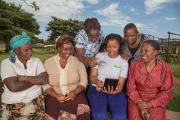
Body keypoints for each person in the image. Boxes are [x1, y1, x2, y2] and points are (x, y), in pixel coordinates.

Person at [0, 32, 53, 119]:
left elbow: (44, 79)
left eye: (31, 49)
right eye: (26, 50)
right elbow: (14, 87)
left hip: (34, 101)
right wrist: (36, 80)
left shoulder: (37, 61)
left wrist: (25, 78)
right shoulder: (7, 63)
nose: (30, 52)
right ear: (16, 50)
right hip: (12, 103)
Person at [43, 35, 90, 120]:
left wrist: (75, 92)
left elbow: (84, 81)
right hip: (54, 96)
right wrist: (56, 95)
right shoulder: (48, 63)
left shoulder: (77, 62)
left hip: (76, 95)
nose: (68, 52)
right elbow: (45, 84)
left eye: (70, 49)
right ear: (58, 48)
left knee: (83, 114)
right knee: (52, 117)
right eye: (65, 49)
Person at [126, 40, 174, 120]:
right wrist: (141, 104)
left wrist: (150, 104)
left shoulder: (165, 69)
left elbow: (167, 91)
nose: (143, 54)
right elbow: (131, 87)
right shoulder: (134, 65)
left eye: (146, 51)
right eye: (141, 51)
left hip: (156, 101)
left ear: (155, 52)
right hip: (136, 99)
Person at [88, 33, 129, 120]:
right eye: (109, 46)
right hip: (97, 89)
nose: (111, 49)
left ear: (119, 47)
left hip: (115, 91)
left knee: (120, 117)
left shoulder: (123, 62)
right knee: (99, 116)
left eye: (114, 46)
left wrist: (115, 91)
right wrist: (97, 82)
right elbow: (92, 76)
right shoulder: (99, 56)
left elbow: (121, 83)